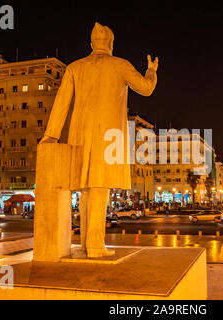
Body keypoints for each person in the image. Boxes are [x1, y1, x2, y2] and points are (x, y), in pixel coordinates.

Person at [40, 22, 158, 258]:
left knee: (86, 189)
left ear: (92, 44)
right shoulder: (120, 65)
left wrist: (50, 135)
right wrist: (151, 71)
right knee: (99, 187)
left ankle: (86, 243)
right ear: (111, 44)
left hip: (80, 134)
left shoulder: (75, 67)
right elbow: (145, 88)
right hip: (108, 136)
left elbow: (61, 103)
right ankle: (94, 245)